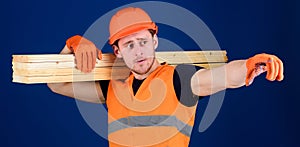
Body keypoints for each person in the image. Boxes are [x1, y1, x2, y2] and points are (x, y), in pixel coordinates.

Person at [47, 7, 284, 147]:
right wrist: (72, 44)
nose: (139, 51)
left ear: (155, 42)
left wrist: (249, 65)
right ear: (117, 51)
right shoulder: (113, 87)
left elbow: (224, 77)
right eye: (129, 45)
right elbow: (57, 84)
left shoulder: (180, 79)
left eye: (143, 42)